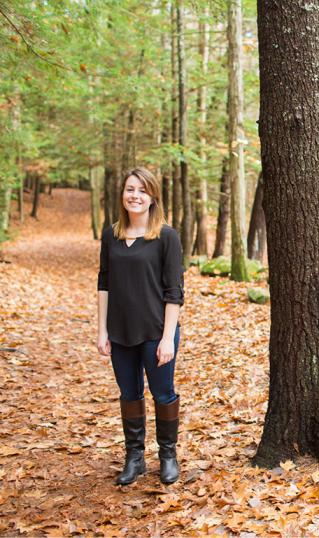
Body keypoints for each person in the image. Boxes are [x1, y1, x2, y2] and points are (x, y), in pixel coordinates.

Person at [97, 167, 184, 486]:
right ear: (123, 195)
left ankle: (167, 456)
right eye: (130, 189)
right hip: (120, 331)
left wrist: (167, 339)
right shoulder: (111, 235)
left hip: (156, 332)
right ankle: (134, 458)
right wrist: (102, 330)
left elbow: (174, 291)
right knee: (129, 393)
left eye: (142, 190)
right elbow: (103, 282)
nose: (135, 195)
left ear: (152, 198)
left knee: (163, 393)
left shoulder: (166, 237)